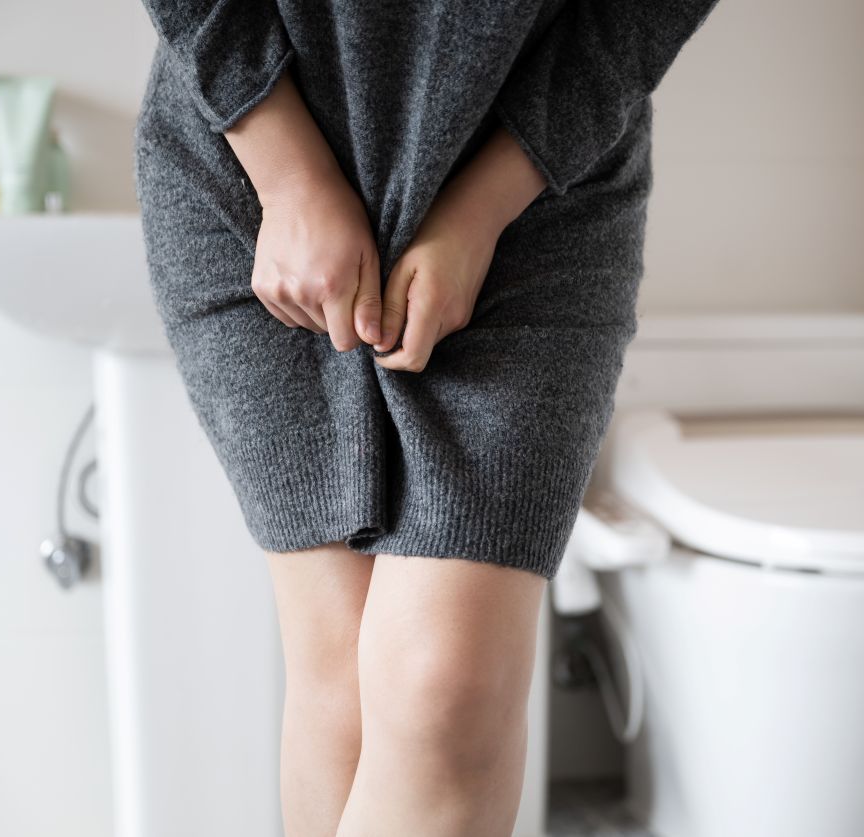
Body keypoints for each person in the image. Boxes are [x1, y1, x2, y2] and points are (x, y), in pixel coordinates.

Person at [133, 1, 720, 833]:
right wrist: (290, 174)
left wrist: (482, 209)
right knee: (339, 682)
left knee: (447, 687)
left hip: (539, 179)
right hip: (255, 163)